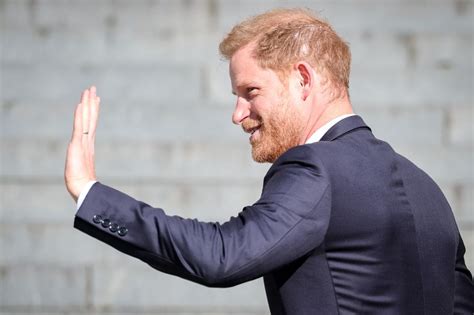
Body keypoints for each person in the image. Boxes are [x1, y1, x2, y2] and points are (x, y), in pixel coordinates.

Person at [65, 8, 474, 314]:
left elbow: (223, 255)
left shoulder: (316, 168)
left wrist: (90, 192)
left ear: (303, 79)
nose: (238, 113)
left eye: (251, 90)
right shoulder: (428, 189)